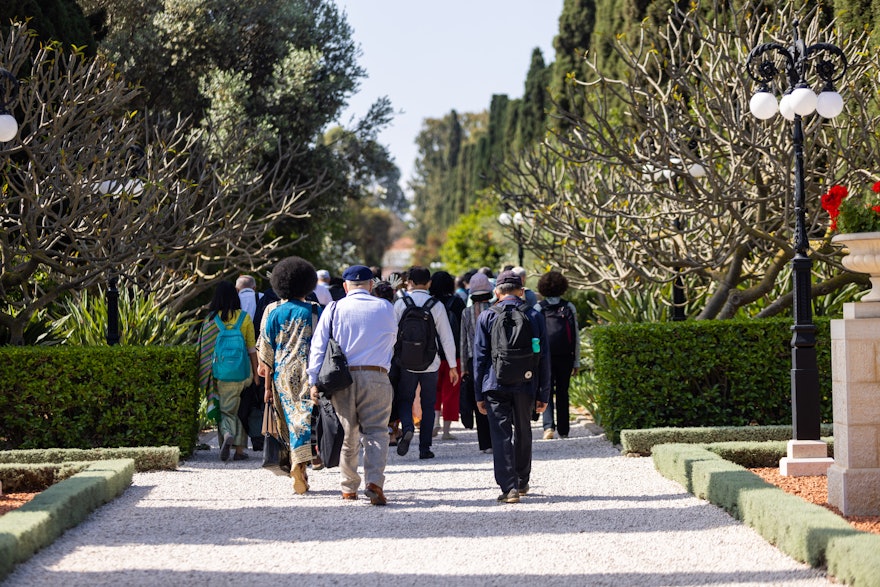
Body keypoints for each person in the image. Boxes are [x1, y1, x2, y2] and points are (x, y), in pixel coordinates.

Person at [308, 265, 398, 505]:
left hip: (342, 378)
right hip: (377, 375)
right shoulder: (386, 307)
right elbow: (392, 340)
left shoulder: (335, 308)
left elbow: (319, 346)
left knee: (348, 432)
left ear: (346, 286)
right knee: (377, 432)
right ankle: (375, 483)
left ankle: (348, 488)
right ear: (371, 285)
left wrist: (313, 380)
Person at [474, 270, 551, 504]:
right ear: (521, 291)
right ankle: (522, 480)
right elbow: (544, 357)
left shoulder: (486, 316)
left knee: (501, 434)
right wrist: (544, 392)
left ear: (496, 292)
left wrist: (479, 393)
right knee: (524, 430)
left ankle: (509, 488)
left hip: (494, 383)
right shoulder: (534, 316)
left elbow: (479, 358)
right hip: (526, 382)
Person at [257, 257, 321, 494]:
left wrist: (266, 389)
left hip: (282, 376)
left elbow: (265, 359)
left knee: (289, 423)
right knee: (305, 420)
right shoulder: (315, 311)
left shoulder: (272, 312)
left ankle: (297, 467)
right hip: (308, 373)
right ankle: (300, 465)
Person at [393, 266, 459, 460]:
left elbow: (391, 334)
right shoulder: (435, 304)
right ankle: (425, 448)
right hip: (431, 362)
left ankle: (406, 428)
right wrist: (453, 365)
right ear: (429, 283)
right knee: (428, 404)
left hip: (405, 362)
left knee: (405, 399)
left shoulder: (401, 303)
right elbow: (446, 336)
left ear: (409, 282)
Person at [198, 281, 259, 462]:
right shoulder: (245, 318)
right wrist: (256, 375)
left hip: (222, 374)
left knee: (226, 411)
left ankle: (226, 434)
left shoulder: (211, 319)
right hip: (243, 373)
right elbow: (251, 349)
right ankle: (240, 451)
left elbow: (205, 350)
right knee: (237, 410)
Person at [536, 271, 580, 440]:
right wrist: (576, 361)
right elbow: (575, 335)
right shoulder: (569, 307)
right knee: (563, 391)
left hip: (545, 357)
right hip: (565, 356)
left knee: (546, 391)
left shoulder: (539, 308)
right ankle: (564, 430)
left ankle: (548, 427)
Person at [459, 271, 494, 453]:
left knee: (478, 399)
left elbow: (463, 341)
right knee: (494, 397)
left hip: (474, 360)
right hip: (495, 358)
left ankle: (485, 443)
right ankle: (498, 438)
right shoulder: (495, 309)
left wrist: (463, 367)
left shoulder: (466, 312)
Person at [429, 271, 465, 440]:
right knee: (451, 391)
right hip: (454, 353)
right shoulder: (457, 302)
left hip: (432, 354)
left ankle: (435, 421)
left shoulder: (429, 303)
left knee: (434, 390)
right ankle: (446, 430)